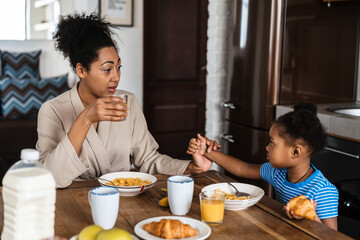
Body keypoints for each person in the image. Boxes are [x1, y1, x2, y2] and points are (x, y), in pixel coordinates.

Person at [36, 13, 219, 188]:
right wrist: (85, 119)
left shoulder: (127, 102)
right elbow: (50, 178)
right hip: (74, 203)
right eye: (107, 69)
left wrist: (190, 167)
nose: (116, 77)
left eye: (118, 67)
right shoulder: (52, 111)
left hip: (123, 200)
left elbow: (148, 159)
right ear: (81, 71)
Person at [187, 102, 338, 230]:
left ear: (295, 151)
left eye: (272, 143)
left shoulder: (323, 191)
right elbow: (242, 168)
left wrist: (310, 216)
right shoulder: (277, 173)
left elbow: (332, 237)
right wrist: (205, 151)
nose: (267, 147)